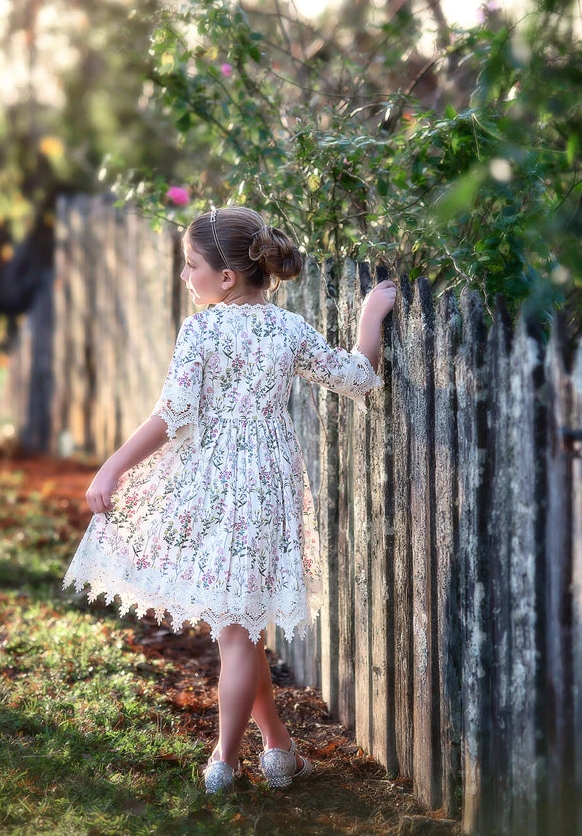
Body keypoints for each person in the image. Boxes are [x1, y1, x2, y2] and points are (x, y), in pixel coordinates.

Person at [62, 206, 396, 793]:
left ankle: (224, 760)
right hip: (267, 486)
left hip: (217, 488)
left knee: (238, 630)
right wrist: (370, 319)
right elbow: (357, 377)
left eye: (190, 265)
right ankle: (278, 748)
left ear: (226, 277)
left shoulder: (201, 331)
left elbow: (171, 416)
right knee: (239, 627)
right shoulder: (287, 329)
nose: (184, 276)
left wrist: (113, 467)